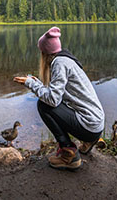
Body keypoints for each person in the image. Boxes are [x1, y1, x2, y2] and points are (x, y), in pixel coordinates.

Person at [14, 27, 105, 170]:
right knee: (49, 102)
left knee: (43, 106)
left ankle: (68, 154)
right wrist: (37, 82)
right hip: (96, 123)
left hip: (89, 125)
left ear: (45, 52)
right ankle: (89, 141)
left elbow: (52, 100)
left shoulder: (59, 64)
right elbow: (56, 93)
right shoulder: (66, 59)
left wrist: (30, 84)